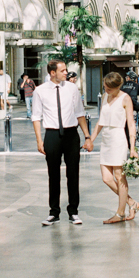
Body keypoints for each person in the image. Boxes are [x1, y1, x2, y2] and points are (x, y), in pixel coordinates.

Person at [32, 60, 91, 226]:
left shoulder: (72, 88)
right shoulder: (40, 91)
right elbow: (36, 117)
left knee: (73, 174)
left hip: (71, 134)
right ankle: (54, 212)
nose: (67, 73)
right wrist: (39, 140)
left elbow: (80, 113)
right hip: (51, 135)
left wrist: (87, 136)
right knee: (53, 175)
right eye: (63, 70)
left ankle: (73, 211)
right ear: (52, 73)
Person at [89, 73, 139, 224]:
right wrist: (90, 140)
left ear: (118, 87)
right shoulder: (105, 96)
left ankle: (120, 213)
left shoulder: (125, 98)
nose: (106, 89)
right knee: (106, 178)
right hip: (106, 138)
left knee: (119, 177)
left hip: (118, 138)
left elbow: (131, 124)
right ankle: (131, 203)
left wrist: (133, 148)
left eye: (110, 88)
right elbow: (101, 120)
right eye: (105, 86)